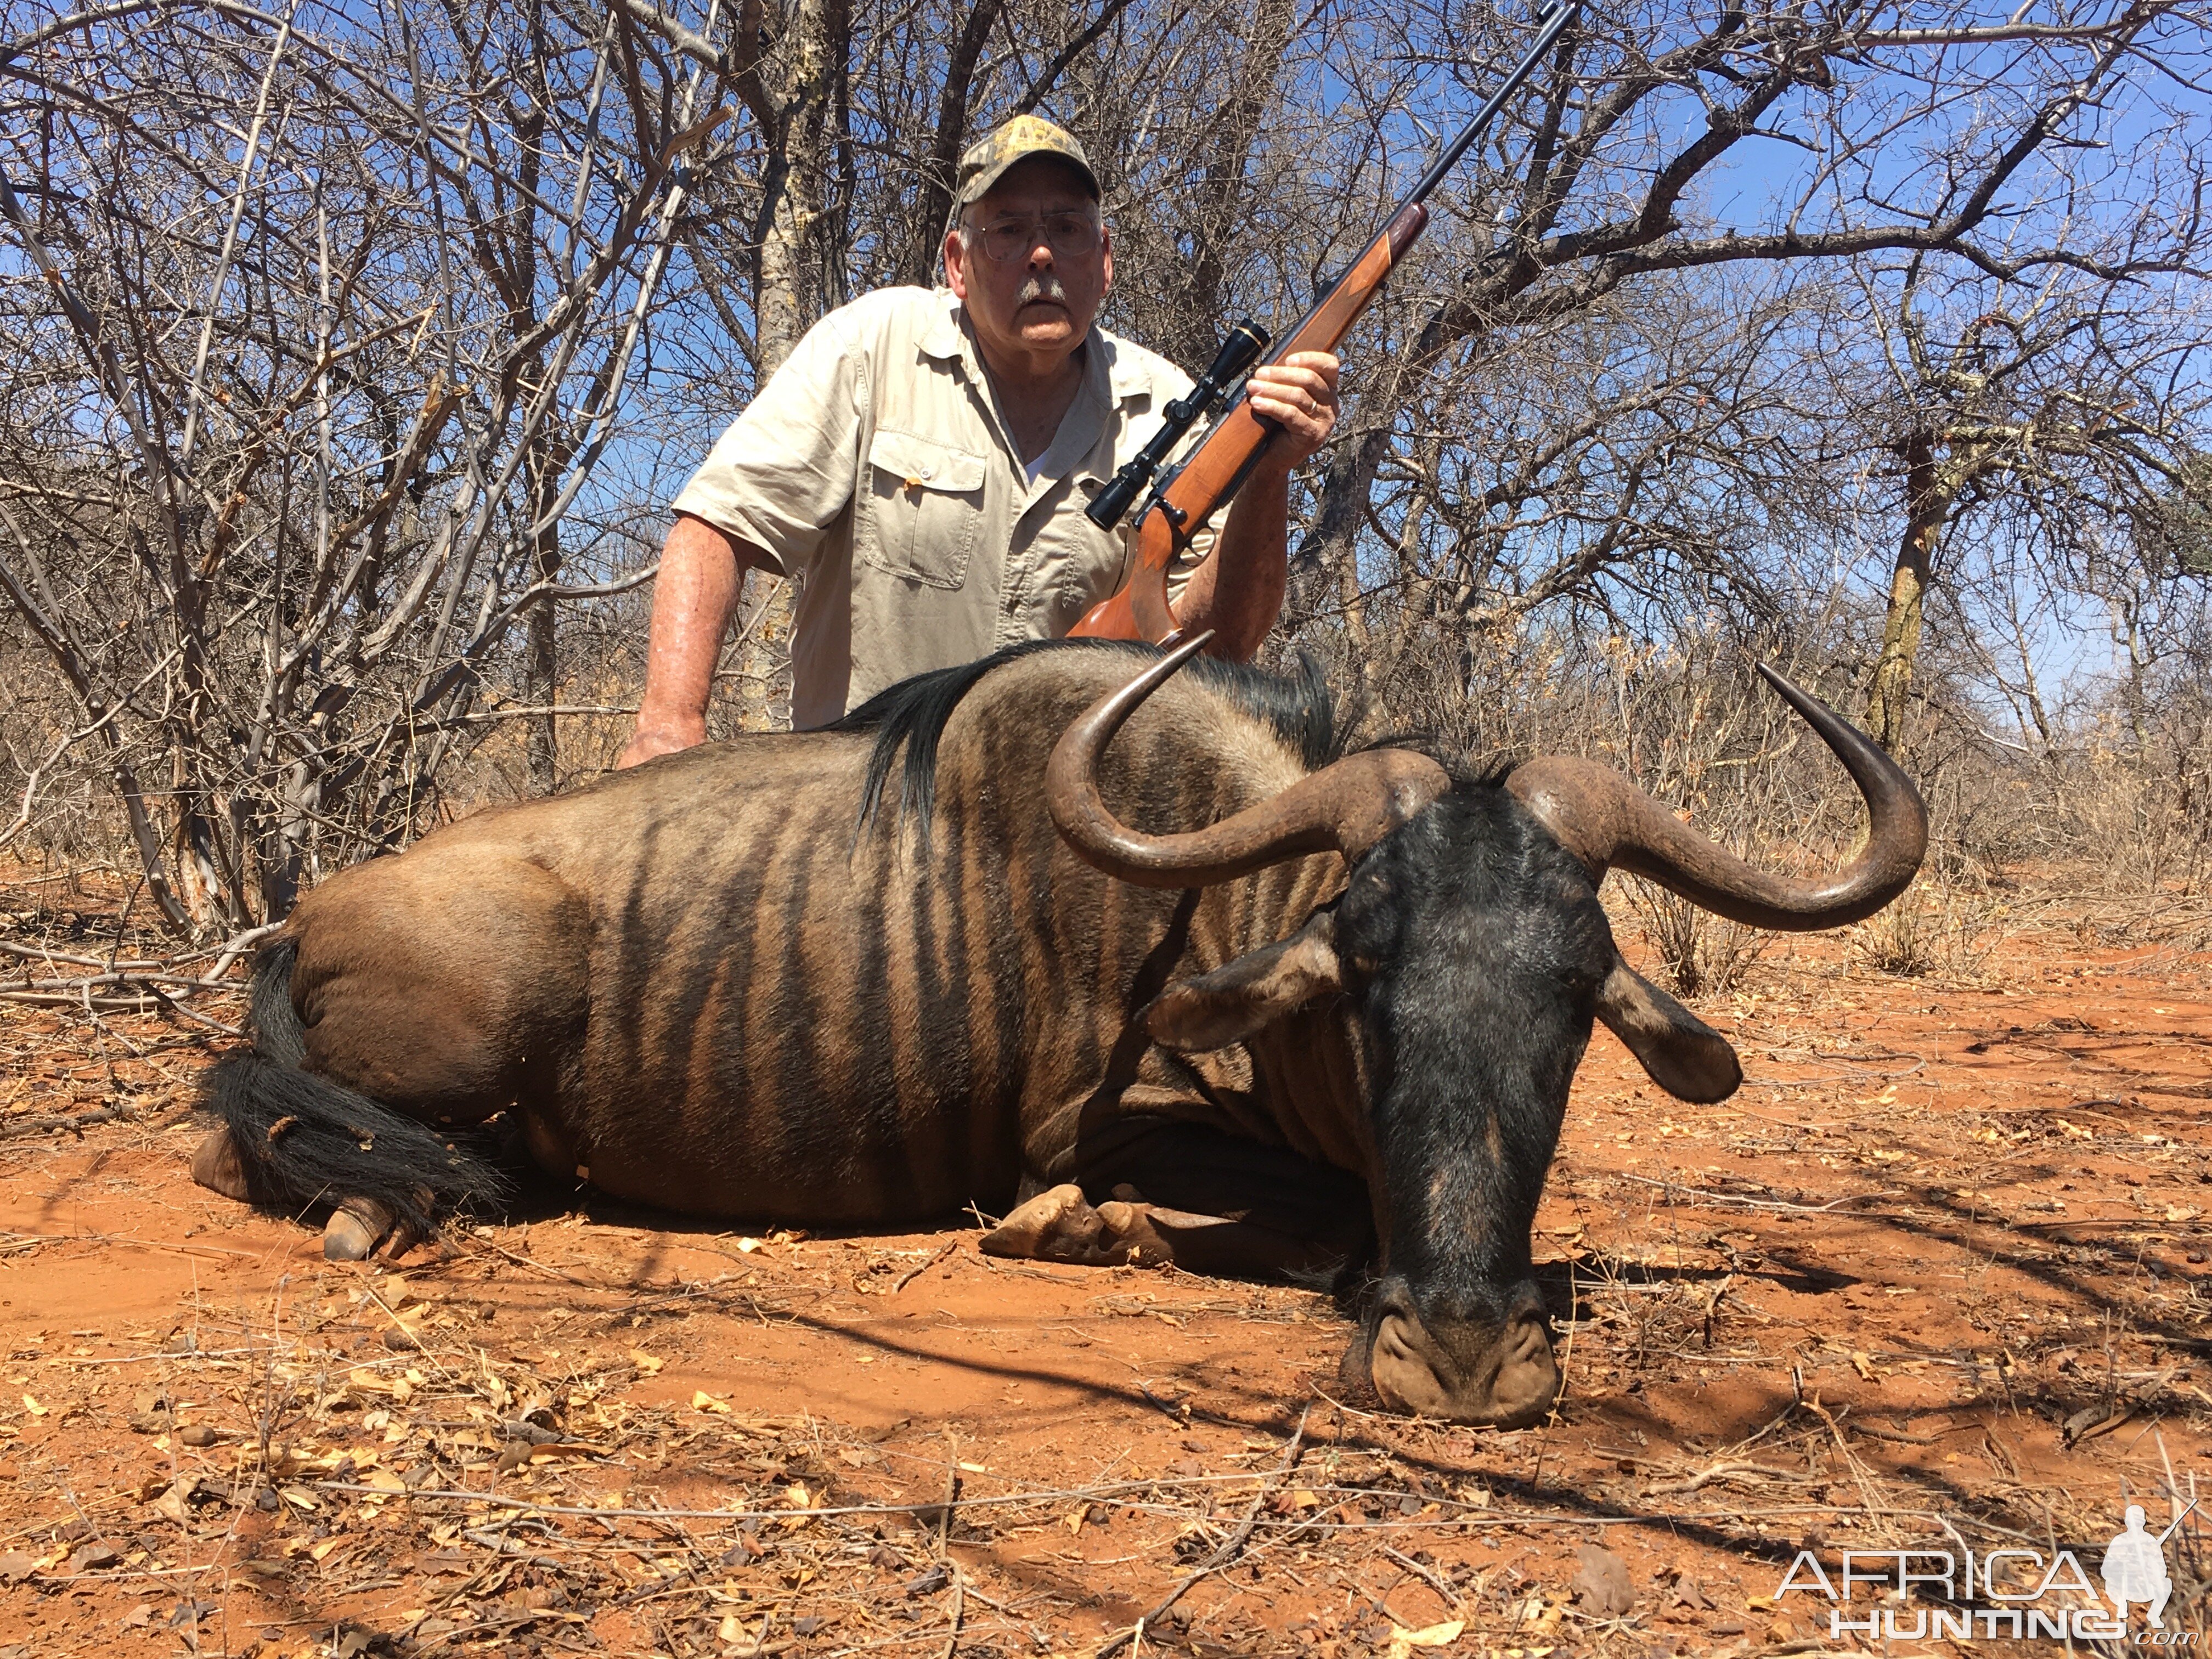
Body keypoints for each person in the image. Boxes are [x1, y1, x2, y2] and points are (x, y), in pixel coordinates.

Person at [617, 115, 1339, 765]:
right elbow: (718, 524)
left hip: (1068, 834)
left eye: (1066, 228)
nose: (1042, 255)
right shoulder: (872, 345)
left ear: (1105, 258)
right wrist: (669, 724)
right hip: (862, 815)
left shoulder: (1168, 406)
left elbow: (1223, 643)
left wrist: (1266, 477)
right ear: (957, 264)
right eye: (1009, 231)